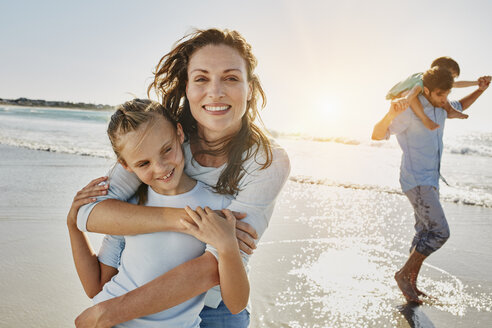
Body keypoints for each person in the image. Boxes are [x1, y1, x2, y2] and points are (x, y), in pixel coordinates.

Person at [74, 28, 290, 328]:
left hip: (217, 303)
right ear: (186, 87)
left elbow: (215, 265)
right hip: (140, 291)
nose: (215, 91)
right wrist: (190, 221)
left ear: (249, 87)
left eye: (231, 77)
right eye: (201, 78)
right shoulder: (161, 137)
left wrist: (110, 312)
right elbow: (93, 213)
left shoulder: (267, 161)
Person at [67, 99, 249, 327]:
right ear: (125, 165)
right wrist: (73, 226)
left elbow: (236, 303)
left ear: (179, 133)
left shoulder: (219, 204)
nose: (161, 168)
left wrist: (228, 246)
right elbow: (96, 286)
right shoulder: (129, 210)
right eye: (143, 163)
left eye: (167, 150)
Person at [372, 66, 490, 304]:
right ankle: (403, 276)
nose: (445, 101)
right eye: (440, 95)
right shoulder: (409, 111)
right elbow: (376, 134)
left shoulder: (441, 107)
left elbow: (461, 106)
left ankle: (411, 284)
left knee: (424, 233)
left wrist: (481, 89)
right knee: (439, 232)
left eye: (446, 96)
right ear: (426, 90)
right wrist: (389, 114)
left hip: (430, 181)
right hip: (416, 181)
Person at [386, 56, 487, 130]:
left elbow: (456, 84)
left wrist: (477, 83)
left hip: (408, 93)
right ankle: (425, 119)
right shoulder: (424, 79)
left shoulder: (436, 83)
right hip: (399, 94)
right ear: (438, 71)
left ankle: (450, 110)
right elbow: (414, 90)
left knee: (441, 91)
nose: (451, 80)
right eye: (451, 76)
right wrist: (406, 99)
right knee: (410, 94)